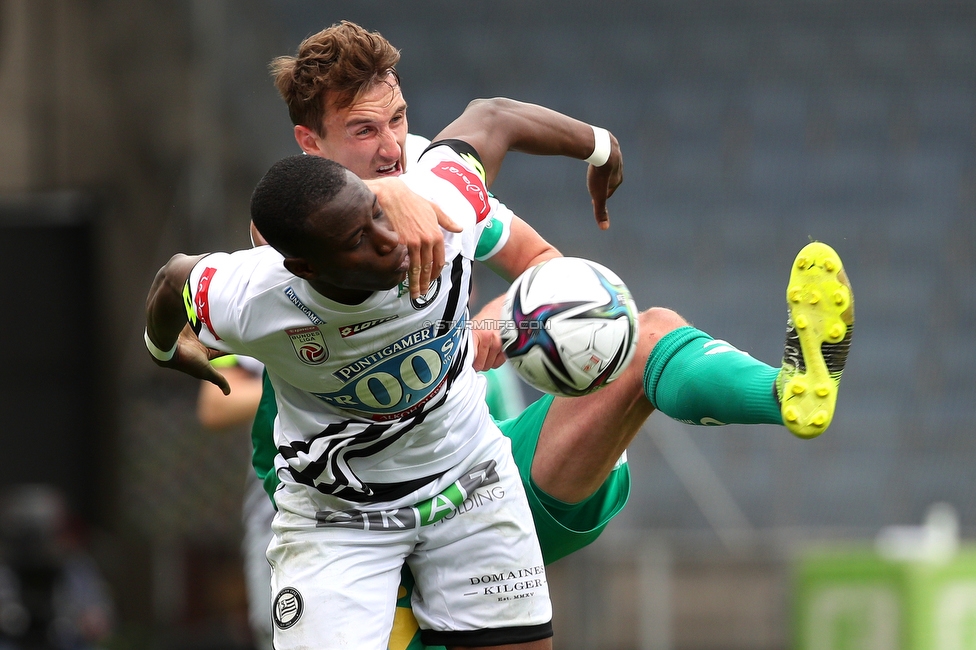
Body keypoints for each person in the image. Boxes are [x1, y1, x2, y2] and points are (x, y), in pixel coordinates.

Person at [234, 21, 854, 650]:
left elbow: (540, 256)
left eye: (398, 119)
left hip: (472, 482)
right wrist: (388, 196)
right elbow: (263, 238)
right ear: (309, 143)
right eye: (364, 131)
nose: (393, 146)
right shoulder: (295, 230)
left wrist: (503, 319)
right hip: (351, 519)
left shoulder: (438, 183)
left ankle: (790, 390)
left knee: (646, 334)